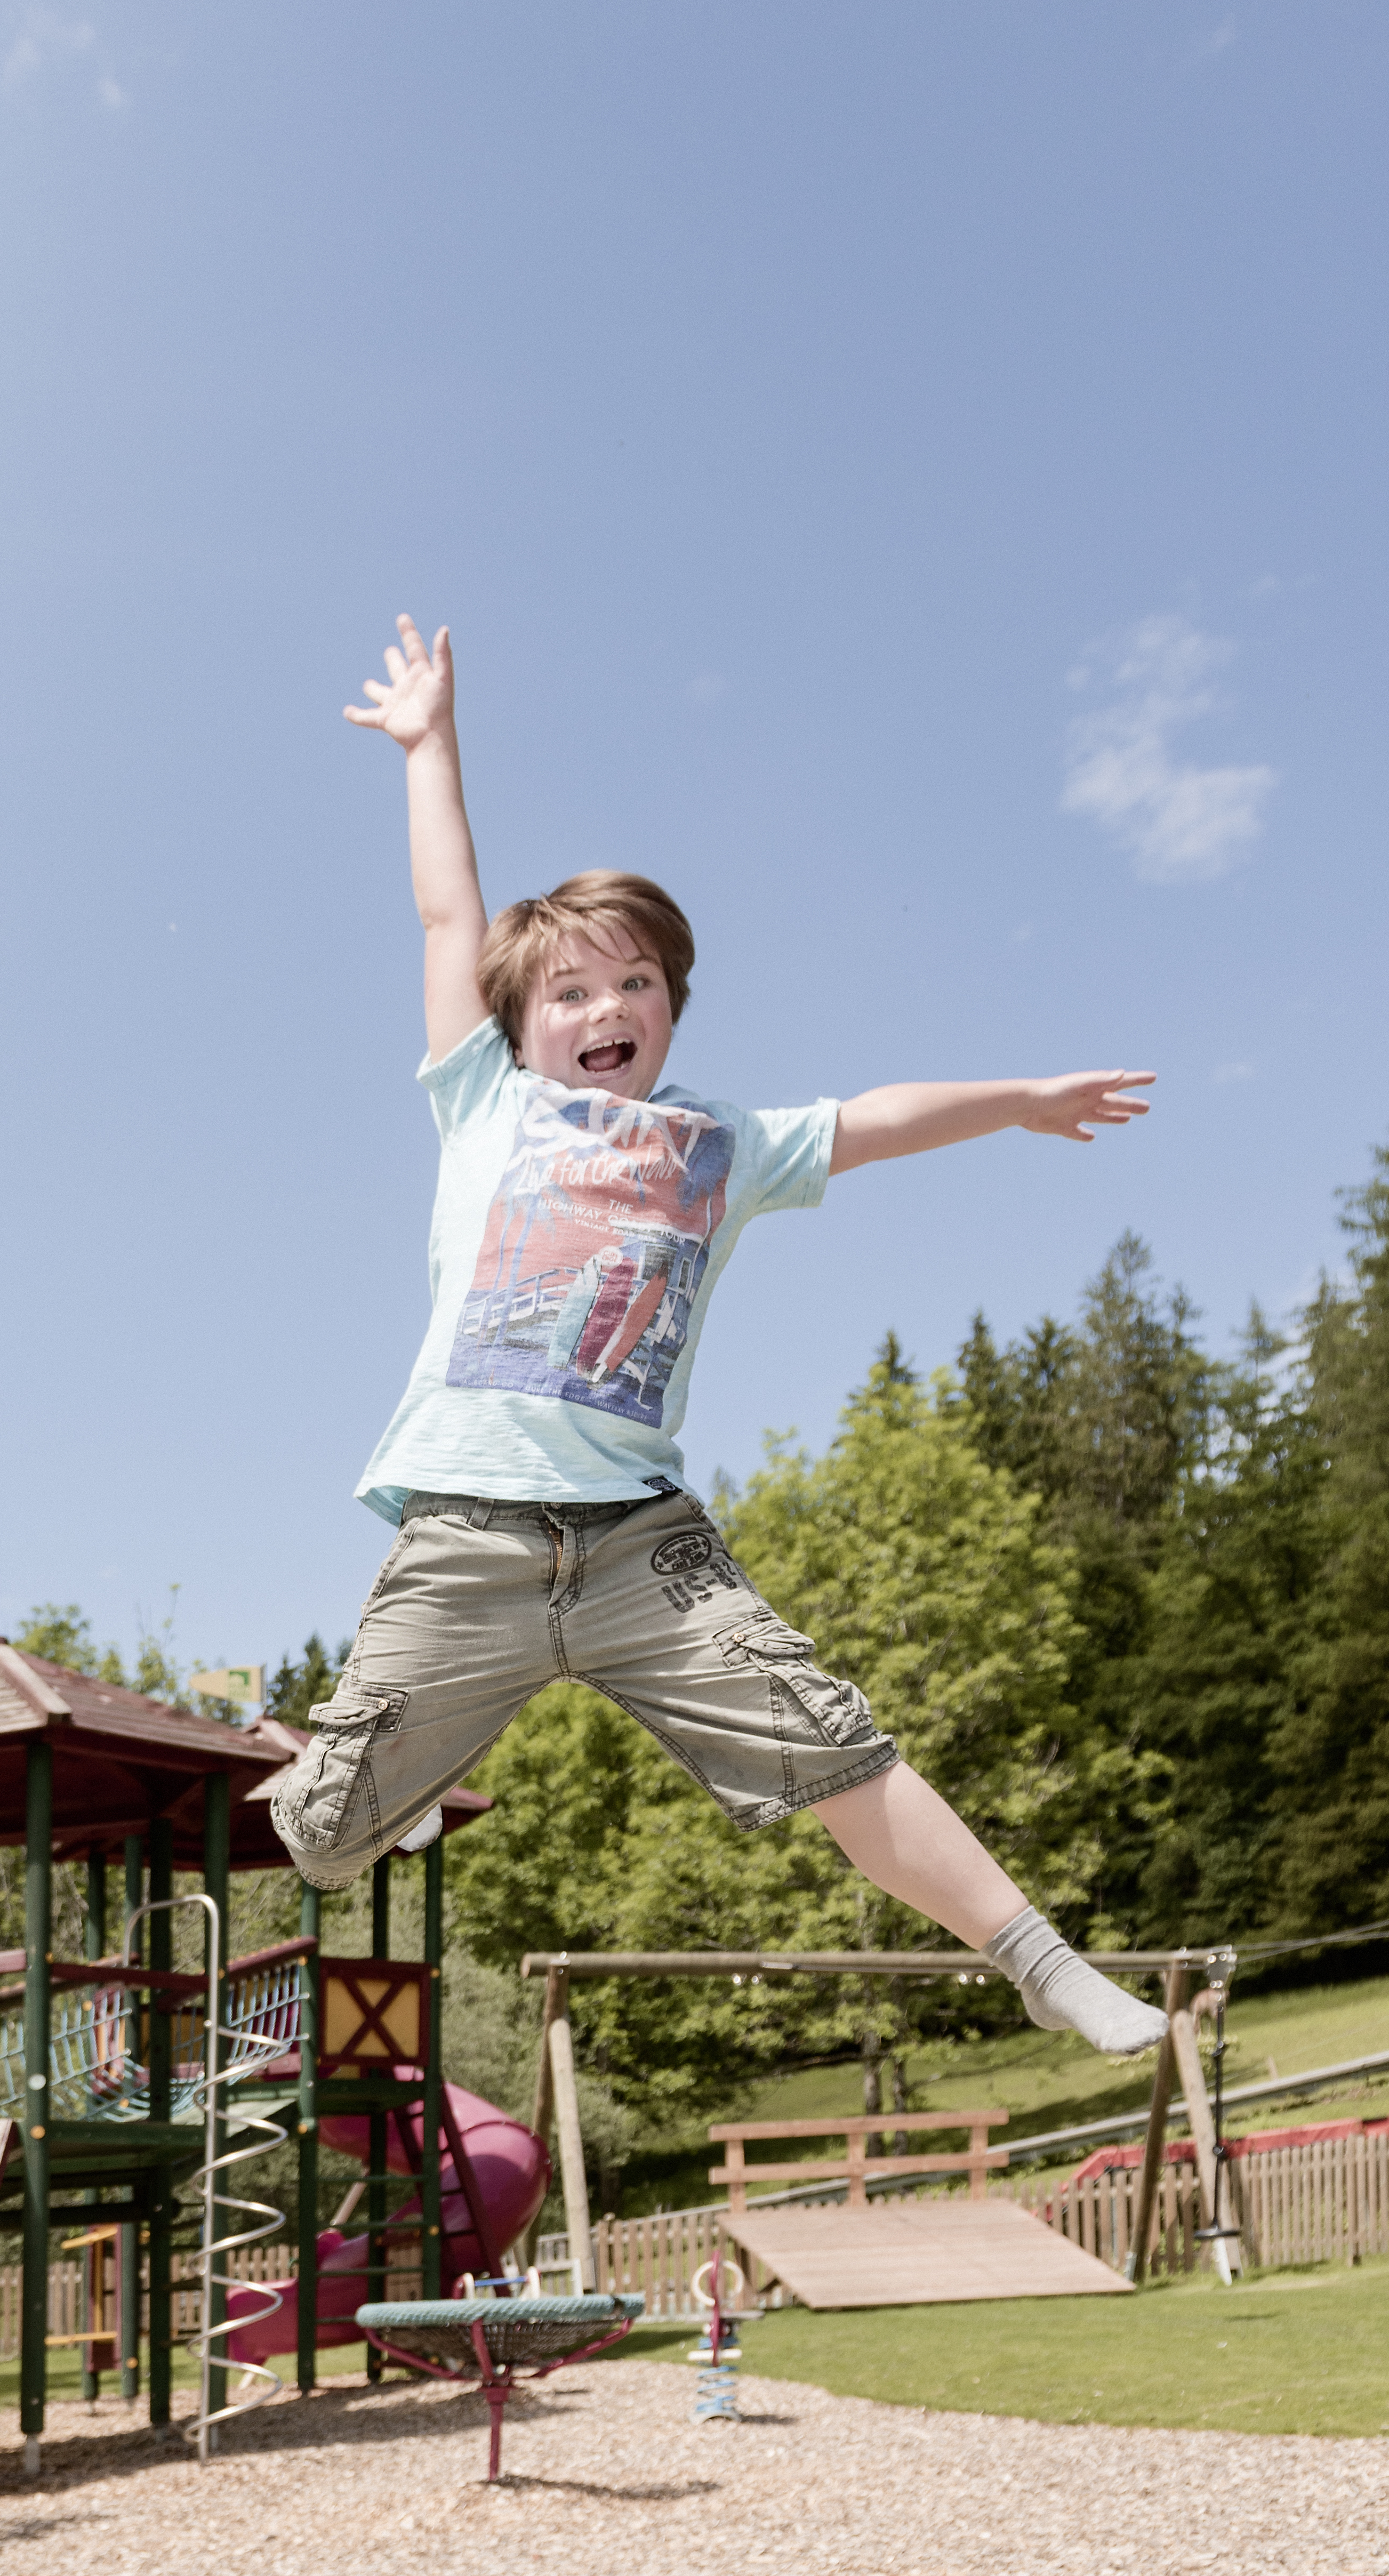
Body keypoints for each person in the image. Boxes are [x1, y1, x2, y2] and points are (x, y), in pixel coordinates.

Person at [266, 615, 1167, 2066]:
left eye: (633, 984)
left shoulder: (722, 1143)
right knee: (321, 1837)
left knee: (832, 1738)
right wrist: (431, 746)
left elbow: (875, 1117)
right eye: (569, 992)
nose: (603, 1008)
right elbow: (451, 920)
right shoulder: (484, 1104)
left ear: (672, 1006)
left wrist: (1022, 1098)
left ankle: (1043, 1962)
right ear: (523, 1025)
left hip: (638, 1545)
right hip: (469, 1539)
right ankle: (396, 1770)